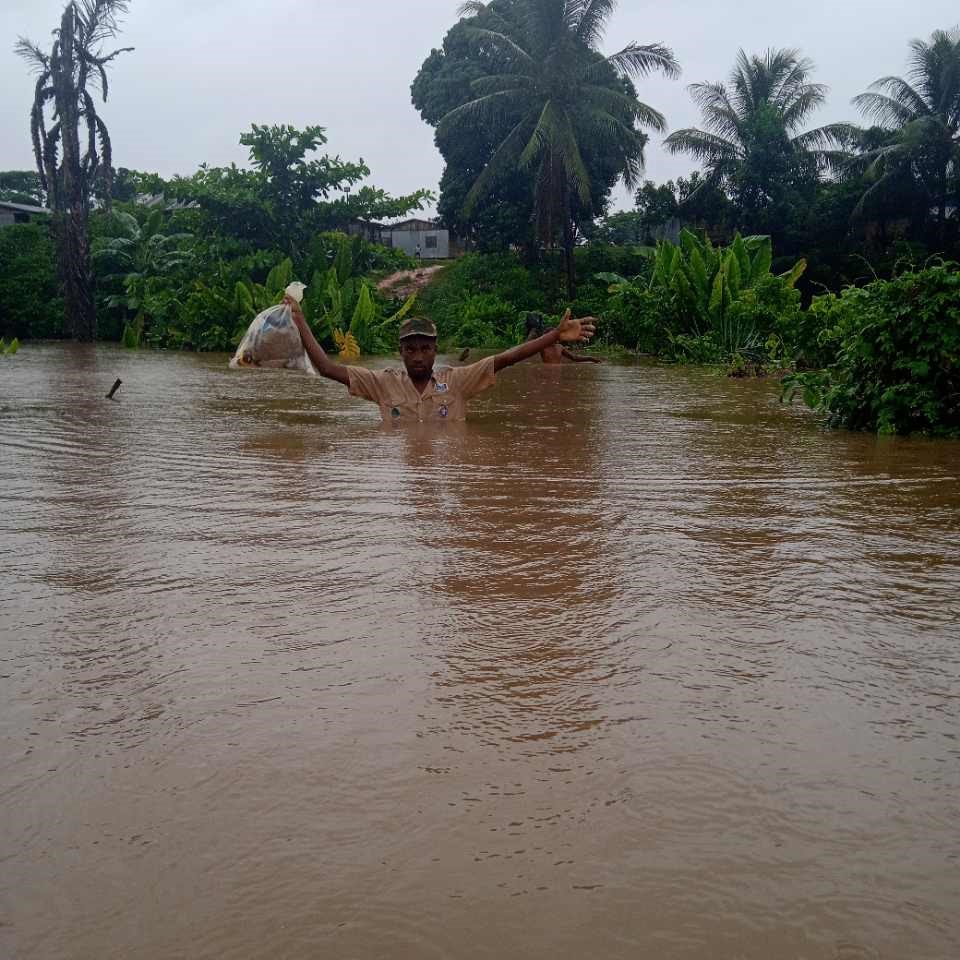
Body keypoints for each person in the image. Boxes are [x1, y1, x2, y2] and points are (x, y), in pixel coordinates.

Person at [284, 297, 596, 424]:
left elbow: (505, 359)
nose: (418, 356)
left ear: (435, 350)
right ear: (401, 351)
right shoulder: (383, 382)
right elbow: (326, 368)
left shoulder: (457, 381)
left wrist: (553, 335)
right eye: (411, 349)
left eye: (425, 348)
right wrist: (300, 322)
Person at [524, 312, 602, 365]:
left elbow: (574, 357)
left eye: (555, 336)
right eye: (551, 336)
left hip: (558, 370)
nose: (553, 338)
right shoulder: (543, 347)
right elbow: (526, 349)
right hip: (547, 371)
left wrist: (591, 358)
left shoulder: (559, 347)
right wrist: (533, 331)